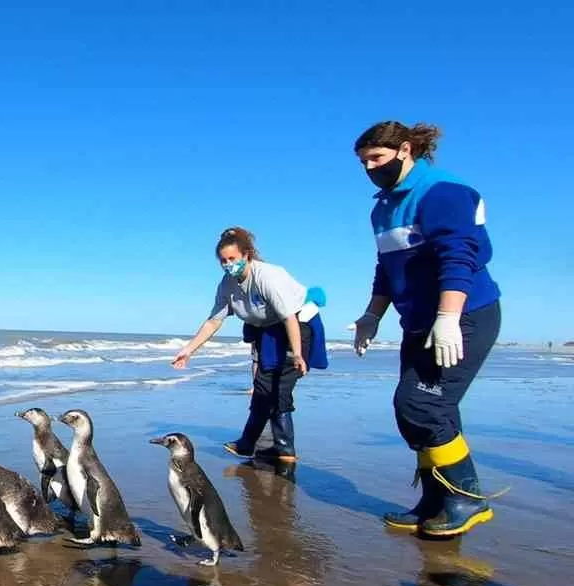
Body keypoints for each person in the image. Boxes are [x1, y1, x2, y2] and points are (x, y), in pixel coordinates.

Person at [352, 120, 503, 537]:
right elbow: (387, 268)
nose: (369, 168)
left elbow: (460, 255)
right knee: (421, 413)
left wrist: (449, 317)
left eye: (376, 158)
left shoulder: (441, 191)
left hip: (465, 315)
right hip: (419, 323)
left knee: (421, 406)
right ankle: (437, 500)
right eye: (363, 162)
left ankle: (468, 498)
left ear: (404, 150)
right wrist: (372, 316)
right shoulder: (382, 207)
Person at [172, 227, 327, 462]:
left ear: (247, 255)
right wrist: (189, 350)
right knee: (265, 386)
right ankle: (261, 446)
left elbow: (289, 317)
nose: (227, 264)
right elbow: (214, 321)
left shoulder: (267, 277)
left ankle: (276, 448)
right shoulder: (227, 285)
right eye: (223, 261)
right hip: (270, 330)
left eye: (232, 259)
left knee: (277, 387)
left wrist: (297, 354)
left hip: (298, 324)